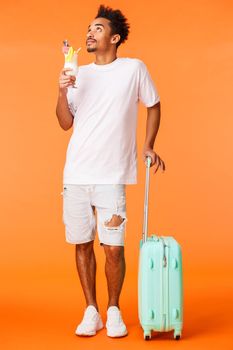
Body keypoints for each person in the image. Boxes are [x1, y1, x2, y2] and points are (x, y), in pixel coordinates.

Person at [56, 4, 165, 338]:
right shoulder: (78, 73)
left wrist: (147, 145)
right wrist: (62, 89)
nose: (90, 32)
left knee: (113, 248)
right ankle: (92, 310)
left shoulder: (133, 69)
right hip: (76, 173)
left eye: (98, 28)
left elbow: (154, 105)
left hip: (111, 174)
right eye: (89, 28)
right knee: (82, 244)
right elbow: (64, 123)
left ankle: (114, 308)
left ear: (115, 37)